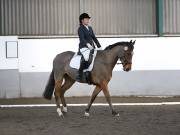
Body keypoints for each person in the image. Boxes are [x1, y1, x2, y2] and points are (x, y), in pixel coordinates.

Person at [76, 13, 102, 82]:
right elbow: (82, 39)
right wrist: (88, 45)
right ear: (82, 20)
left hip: (91, 47)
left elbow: (94, 37)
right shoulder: (80, 28)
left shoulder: (90, 28)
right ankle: (79, 74)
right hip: (84, 47)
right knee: (87, 58)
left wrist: (99, 46)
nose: (88, 20)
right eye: (86, 19)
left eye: (88, 19)